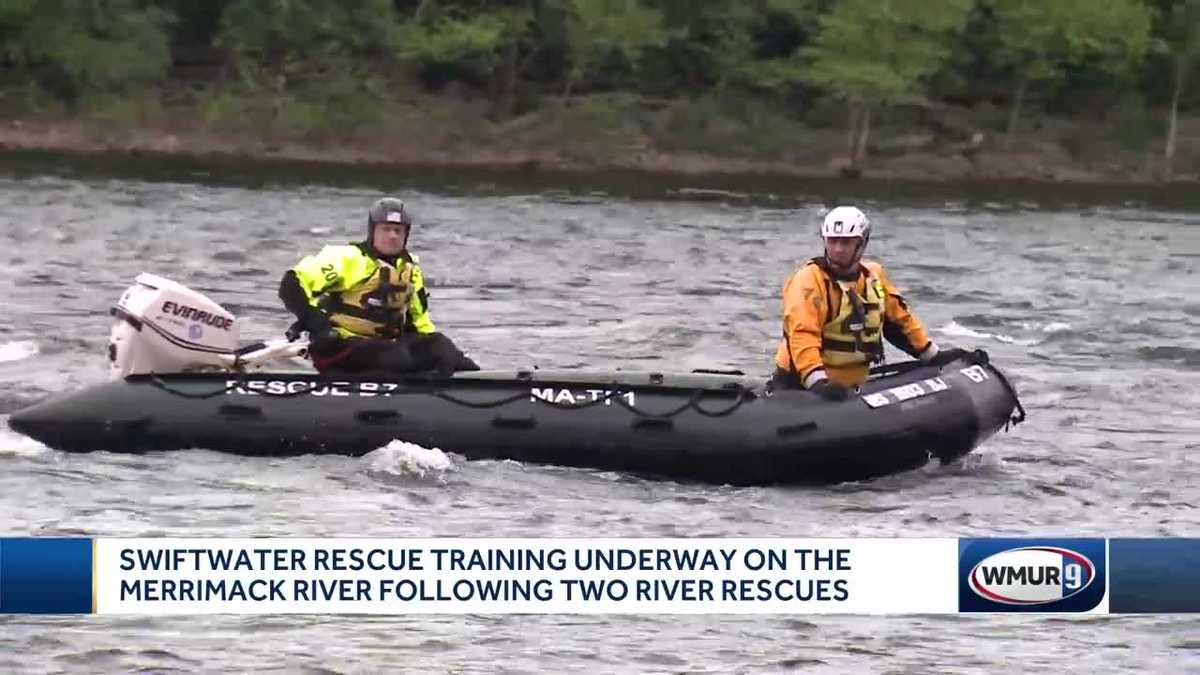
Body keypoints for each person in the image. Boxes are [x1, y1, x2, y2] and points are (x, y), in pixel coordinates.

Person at [772, 206, 968, 400]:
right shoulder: (809, 281)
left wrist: (933, 356)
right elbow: (802, 335)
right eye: (833, 241)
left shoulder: (874, 277)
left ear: (862, 244)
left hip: (855, 386)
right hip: (804, 386)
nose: (838, 249)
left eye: (846, 242)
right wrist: (817, 382)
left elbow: (900, 323)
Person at [279, 197, 479, 376]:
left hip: (384, 348)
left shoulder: (409, 269)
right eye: (386, 229)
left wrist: (443, 354)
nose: (392, 236)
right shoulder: (350, 258)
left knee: (441, 348)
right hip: (340, 347)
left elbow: (419, 322)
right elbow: (292, 283)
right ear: (372, 231)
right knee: (396, 357)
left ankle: (476, 393)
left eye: (398, 231)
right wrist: (318, 325)